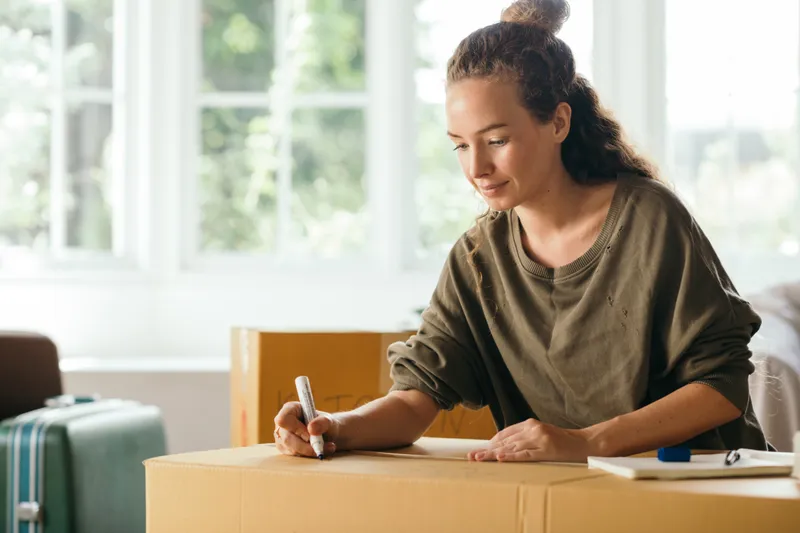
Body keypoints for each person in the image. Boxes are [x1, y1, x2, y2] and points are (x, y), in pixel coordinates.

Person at [274, 0, 770, 463]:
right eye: (460, 147)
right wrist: (333, 426)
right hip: (575, 497)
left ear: (558, 122)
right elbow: (415, 400)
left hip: (703, 488)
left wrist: (585, 442)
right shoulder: (477, 256)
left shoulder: (651, 219)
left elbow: (721, 387)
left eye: (497, 140)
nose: (477, 168)